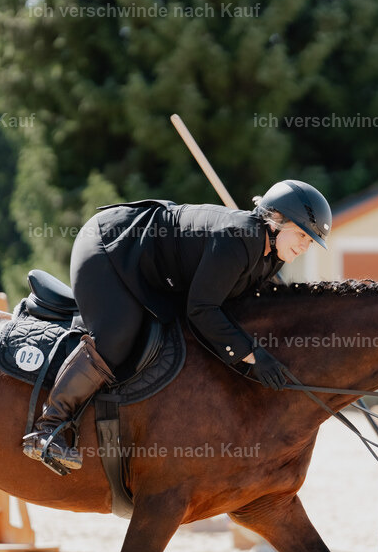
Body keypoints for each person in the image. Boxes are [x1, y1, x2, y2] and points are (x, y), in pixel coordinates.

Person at [22, 179, 332, 472]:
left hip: (152, 264)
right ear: (276, 219)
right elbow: (202, 310)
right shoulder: (239, 238)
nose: (305, 246)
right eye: (303, 235)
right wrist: (253, 355)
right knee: (117, 339)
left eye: (311, 241)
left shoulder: (272, 255)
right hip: (110, 245)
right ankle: (48, 427)